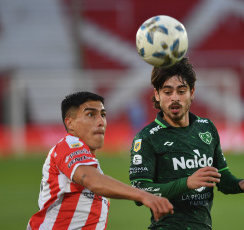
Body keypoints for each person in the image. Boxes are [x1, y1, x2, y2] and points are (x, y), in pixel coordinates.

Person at [129, 58, 244, 230]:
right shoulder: (146, 138)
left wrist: (240, 184)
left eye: (181, 91)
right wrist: (187, 183)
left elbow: (221, 177)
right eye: (168, 92)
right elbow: (139, 192)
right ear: (157, 95)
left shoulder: (206, 128)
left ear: (192, 92)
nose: (175, 98)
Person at [27, 91, 174, 230]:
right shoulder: (69, 145)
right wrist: (144, 195)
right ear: (70, 123)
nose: (100, 122)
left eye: (103, 115)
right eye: (91, 114)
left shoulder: (90, 163)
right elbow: (93, 181)